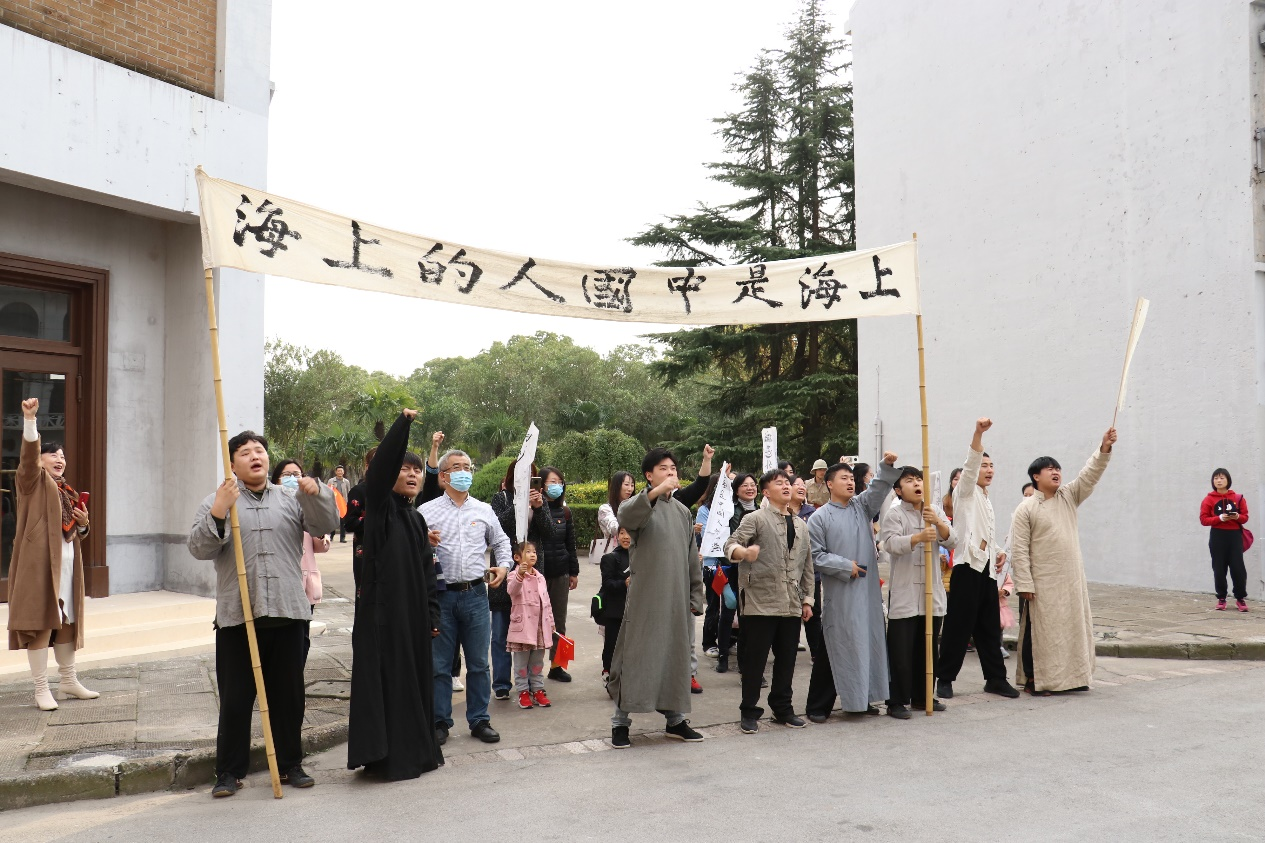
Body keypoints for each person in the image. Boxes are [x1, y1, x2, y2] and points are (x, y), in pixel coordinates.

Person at [188, 429, 339, 798]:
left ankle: (290, 764)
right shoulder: (218, 499)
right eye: (245, 452)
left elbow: (326, 526)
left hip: (287, 613)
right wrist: (219, 511)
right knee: (236, 700)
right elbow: (199, 549)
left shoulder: (290, 498)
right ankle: (229, 771)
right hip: (238, 616)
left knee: (288, 697)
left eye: (259, 450)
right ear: (232, 463)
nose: (255, 456)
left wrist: (317, 494)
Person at [346, 410, 443, 780]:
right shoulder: (380, 511)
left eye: (417, 470)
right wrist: (403, 425)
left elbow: (427, 572)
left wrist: (432, 615)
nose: (413, 475)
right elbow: (381, 469)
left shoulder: (416, 519)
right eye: (405, 469)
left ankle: (417, 754)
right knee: (388, 684)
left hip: (413, 619)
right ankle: (386, 758)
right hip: (382, 618)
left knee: (413, 683)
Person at [607, 447, 707, 748]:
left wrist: (695, 594)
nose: (671, 472)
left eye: (673, 468)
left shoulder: (682, 512)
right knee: (636, 657)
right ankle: (620, 723)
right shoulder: (640, 507)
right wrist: (655, 493)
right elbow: (625, 515)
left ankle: (675, 720)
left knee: (674, 658)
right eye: (664, 468)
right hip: (646, 599)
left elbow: (691, 558)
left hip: (676, 599)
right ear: (649, 476)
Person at [1012, 427, 1118, 694]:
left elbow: (1090, 474)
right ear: (1036, 476)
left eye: (1058, 468)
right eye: (1049, 469)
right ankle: (1036, 680)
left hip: (1071, 579)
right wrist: (1024, 583)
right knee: (1040, 631)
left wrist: (1104, 448)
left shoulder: (1069, 496)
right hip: (1042, 582)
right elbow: (1019, 549)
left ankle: (1074, 678)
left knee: (1072, 629)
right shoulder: (1026, 508)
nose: (1056, 472)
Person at [6, 397, 95, 711]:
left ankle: (68, 680)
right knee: (42, 623)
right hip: (40, 567)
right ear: (40, 460)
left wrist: (83, 525)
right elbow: (28, 457)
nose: (60, 459)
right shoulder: (31, 481)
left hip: (67, 566)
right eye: (53, 454)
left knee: (67, 622)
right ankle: (41, 688)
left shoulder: (66, 491)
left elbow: (72, 533)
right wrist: (30, 420)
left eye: (62, 455)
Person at [420, 449, 513, 745]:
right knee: (439, 665)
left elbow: (501, 542)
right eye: (456, 468)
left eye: (467, 467)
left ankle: (479, 719)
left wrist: (504, 566)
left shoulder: (483, 510)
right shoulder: (426, 511)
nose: (464, 472)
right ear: (443, 476)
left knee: (478, 663)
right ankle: (439, 722)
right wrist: (423, 541)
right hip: (441, 596)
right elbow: (411, 547)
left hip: (475, 594)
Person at [805, 455, 898, 722]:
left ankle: (862, 699)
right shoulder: (819, 518)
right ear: (829, 484)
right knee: (835, 647)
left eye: (851, 478)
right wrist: (846, 566)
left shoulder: (861, 507)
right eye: (843, 478)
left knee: (866, 643)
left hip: (867, 593)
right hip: (841, 593)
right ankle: (818, 705)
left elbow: (877, 490)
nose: (849, 482)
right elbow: (815, 556)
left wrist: (885, 467)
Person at [935, 419, 1021, 700]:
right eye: (984, 465)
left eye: (991, 465)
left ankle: (995, 678)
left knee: (989, 627)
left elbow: (986, 533)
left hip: (987, 571)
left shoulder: (986, 498)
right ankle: (945, 679)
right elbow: (970, 465)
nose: (989, 469)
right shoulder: (965, 491)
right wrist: (978, 434)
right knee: (958, 626)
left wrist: (998, 551)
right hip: (967, 567)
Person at [724, 469, 814, 733]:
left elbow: (807, 566)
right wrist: (744, 553)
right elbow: (730, 545)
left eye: (788, 482)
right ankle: (749, 711)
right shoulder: (755, 518)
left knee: (786, 661)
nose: (786, 486)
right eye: (779, 483)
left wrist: (807, 600)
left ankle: (782, 709)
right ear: (766, 492)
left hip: (791, 602)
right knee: (755, 662)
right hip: (760, 601)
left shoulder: (801, 525)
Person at [880, 466, 954, 718]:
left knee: (928, 649)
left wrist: (938, 523)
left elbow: (952, 540)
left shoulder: (933, 511)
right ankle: (896, 701)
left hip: (931, 593)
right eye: (909, 481)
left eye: (919, 479)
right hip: (905, 593)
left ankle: (923, 697)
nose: (916, 484)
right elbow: (890, 544)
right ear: (898, 490)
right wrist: (917, 538)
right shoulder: (894, 514)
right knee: (901, 652)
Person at [490, 458, 557, 700]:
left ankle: (530, 685)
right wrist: (519, 504)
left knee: (531, 634)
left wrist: (538, 508)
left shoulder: (539, 500)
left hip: (531, 576)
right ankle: (501, 684)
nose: (526, 479)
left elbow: (549, 532)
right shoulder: (501, 498)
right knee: (501, 633)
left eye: (530, 475)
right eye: (521, 474)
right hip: (506, 569)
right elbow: (496, 527)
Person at [272, 460, 330, 665]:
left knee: (302, 636)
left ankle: (296, 674)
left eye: (297, 474)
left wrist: (320, 530)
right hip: (280, 583)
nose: (292, 479)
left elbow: (321, 546)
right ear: (276, 480)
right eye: (286, 475)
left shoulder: (306, 506)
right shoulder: (271, 508)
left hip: (305, 584)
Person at [537, 466, 579, 682]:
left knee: (559, 622)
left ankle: (557, 666)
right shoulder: (534, 510)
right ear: (541, 484)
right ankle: (533, 670)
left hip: (560, 573)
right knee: (536, 623)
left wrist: (574, 572)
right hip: (538, 575)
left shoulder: (565, 512)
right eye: (552, 482)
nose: (556, 486)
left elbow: (571, 544)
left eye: (559, 482)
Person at [716, 473, 758, 674]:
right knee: (729, 610)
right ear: (736, 489)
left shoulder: (762, 509)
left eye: (753, 484)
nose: (750, 488)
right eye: (745, 485)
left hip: (755, 568)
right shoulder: (729, 510)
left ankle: (746, 660)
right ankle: (723, 655)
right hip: (732, 567)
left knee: (748, 616)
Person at [507, 540, 555, 709]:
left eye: (534, 552)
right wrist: (520, 575)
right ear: (517, 557)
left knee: (537, 662)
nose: (533, 554)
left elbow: (547, 602)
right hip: (523, 627)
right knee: (521, 663)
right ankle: (523, 691)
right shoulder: (514, 575)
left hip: (540, 627)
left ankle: (538, 690)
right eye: (528, 552)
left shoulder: (540, 577)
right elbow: (512, 590)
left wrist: (551, 622)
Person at [1200, 468, 1249, 612]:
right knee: (1219, 568)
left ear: (1228, 480)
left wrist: (1237, 517)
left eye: (1222, 478)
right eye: (1216, 478)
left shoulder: (1238, 498)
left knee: (1238, 568)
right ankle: (1221, 598)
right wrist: (1219, 518)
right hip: (1217, 536)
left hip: (1234, 536)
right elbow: (1203, 520)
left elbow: (1245, 517)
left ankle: (1240, 598)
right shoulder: (1208, 499)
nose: (1219, 481)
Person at [598, 528, 632, 677]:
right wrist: (624, 583)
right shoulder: (610, 558)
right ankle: (609, 673)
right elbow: (607, 584)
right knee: (612, 645)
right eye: (622, 533)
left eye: (629, 533)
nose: (626, 537)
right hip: (615, 612)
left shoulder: (641, 557)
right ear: (617, 536)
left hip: (635, 611)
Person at [597, 471, 635, 558]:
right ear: (617, 486)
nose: (630, 489)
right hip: (614, 556)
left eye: (632, 485)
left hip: (633, 555)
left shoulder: (635, 507)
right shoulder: (605, 509)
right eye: (626, 484)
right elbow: (614, 528)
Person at [328, 466, 351, 542]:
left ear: (343, 472)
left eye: (341, 471)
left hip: (343, 504)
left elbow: (348, 492)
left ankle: (342, 538)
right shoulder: (331, 481)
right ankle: (331, 535)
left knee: (343, 521)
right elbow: (327, 490)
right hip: (333, 503)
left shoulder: (346, 482)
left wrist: (348, 503)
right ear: (336, 472)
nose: (340, 472)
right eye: (338, 471)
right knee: (333, 520)